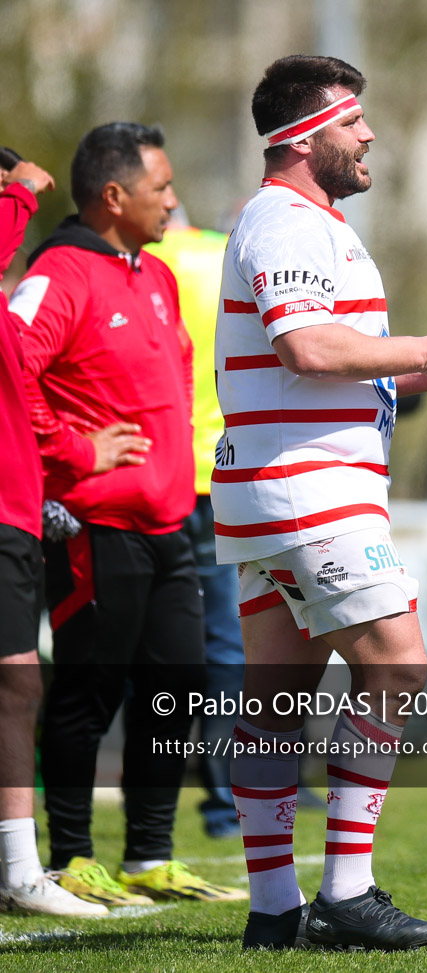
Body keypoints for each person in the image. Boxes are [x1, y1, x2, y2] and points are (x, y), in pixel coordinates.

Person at [212, 54, 427, 951]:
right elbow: (304, 348)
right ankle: (345, 891)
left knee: (276, 699)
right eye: (351, 122)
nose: (368, 133)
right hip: (309, 489)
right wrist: (420, 346)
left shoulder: (310, 224)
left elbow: (333, 366)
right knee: (400, 666)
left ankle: (271, 911)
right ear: (302, 140)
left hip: (281, 485)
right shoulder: (288, 224)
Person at [8, 123, 244, 907]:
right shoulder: (60, 271)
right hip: (91, 527)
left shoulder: (157, 274)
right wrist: (73, 450)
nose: (174, 201)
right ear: (114, 196)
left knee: (177, 687)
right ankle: (72, 856)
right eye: (163, 187)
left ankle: (149, 854)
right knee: (86, 692)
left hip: (172, 523)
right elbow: (13, 371)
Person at [0, 148, 105, 917]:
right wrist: (22, 195)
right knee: (19, 684)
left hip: (14, 511)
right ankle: (18, 871)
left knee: (17, 685)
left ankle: (15, 869)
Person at [147, 217, 245, 838]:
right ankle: (224, 798)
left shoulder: (148, 261)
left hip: (155, 472)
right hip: (220, 476)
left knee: (154, 643)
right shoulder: (230, 255)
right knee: (229, 648)